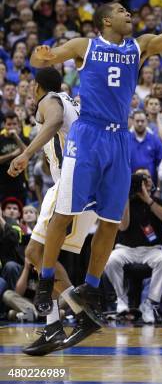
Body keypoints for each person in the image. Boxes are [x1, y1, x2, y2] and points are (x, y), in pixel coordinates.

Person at [30, 0, 162, 335]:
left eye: (128, 10)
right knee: (64, 215)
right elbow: (47, 58)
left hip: (118, 140)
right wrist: (40, 55)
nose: (128, 14)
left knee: (111, 224)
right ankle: (44, 282)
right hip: (87, 136)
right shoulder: (85, 45)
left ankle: (89, 286)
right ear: (104, 21)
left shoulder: (138, 46)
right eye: (120, 11)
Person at [8, 68, 98, 355]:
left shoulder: (48, 100)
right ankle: (64, 321)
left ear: (36, 87)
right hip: (88, 187)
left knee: (34, 253)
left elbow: (55, 120)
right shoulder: (71, 100)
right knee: (40, 254)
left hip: (71, 184)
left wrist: (25, 153)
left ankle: (67, 321)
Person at [104, 172, 162, 324]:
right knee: (110, 259)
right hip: (126, 249)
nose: (144, 181)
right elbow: (123, 226)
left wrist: (147, 199)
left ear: (151, 182)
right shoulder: (125, 201)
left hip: (152, 249)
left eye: (146, 177)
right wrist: (126, 197)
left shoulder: (158, 201)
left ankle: (149, 304)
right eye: (139, 179)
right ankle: (121, 299)